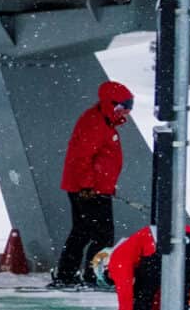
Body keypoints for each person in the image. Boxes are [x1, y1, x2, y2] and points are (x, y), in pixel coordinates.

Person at [52, 80, 135, 289]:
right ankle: (92, 274)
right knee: (102, 234)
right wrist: (87, 186)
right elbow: (82, 157)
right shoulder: (96, 123)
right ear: (112, 104)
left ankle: (68, 273)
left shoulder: (103, 121)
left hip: (92, 187)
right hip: (89, 189)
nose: (127, 113)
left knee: (82, 231)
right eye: (124, 107)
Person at [100, 222, 190, 310]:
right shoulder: (132, 246)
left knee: (142, 294)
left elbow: (125, 295)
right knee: (179, 295)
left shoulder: (116, 259)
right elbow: (156, 298)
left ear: (106, 269)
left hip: (163, 241)